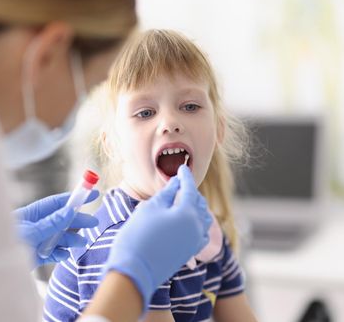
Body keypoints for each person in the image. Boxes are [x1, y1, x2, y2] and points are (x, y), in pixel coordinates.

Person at [0, 0, 212, 321]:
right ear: (49, 52)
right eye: (90, 85)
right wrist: (136, 277)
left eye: (190, 106)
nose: (169, 123)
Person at [45, 29, 258, 322]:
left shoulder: (206, 229)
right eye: (145, 113)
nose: (170, 123)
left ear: (218, 130)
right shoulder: (120, 241)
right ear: (112, 143)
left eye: (190, 106)